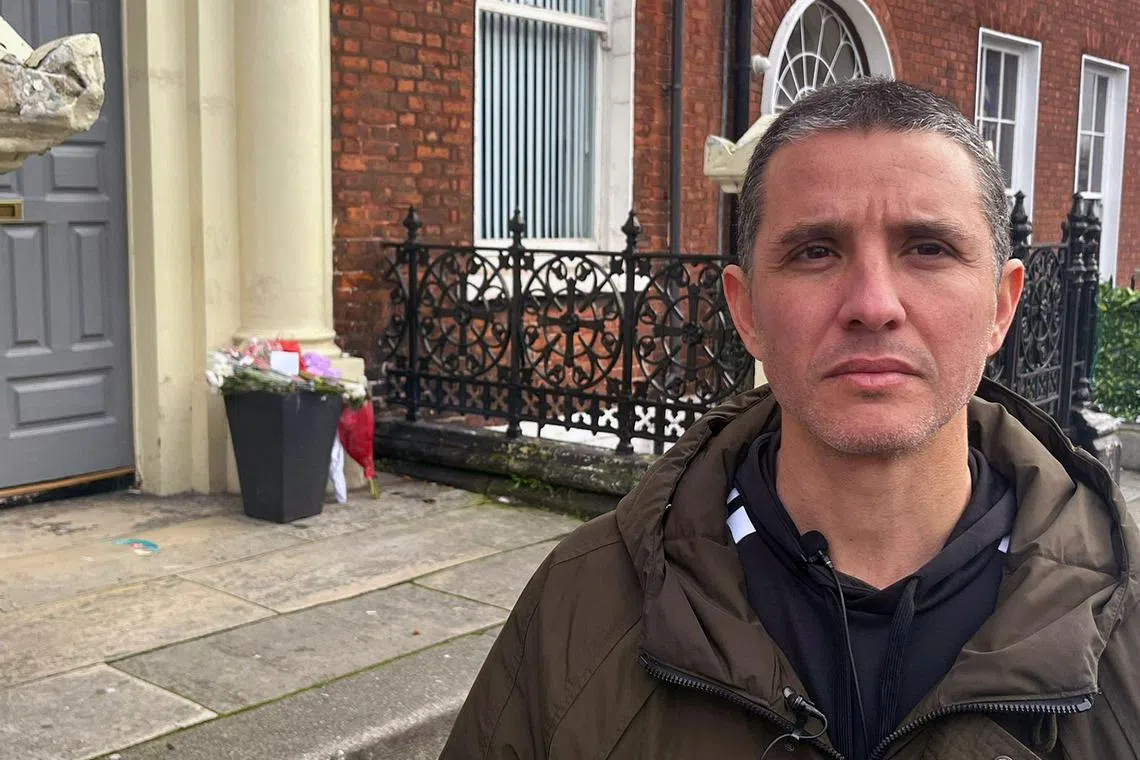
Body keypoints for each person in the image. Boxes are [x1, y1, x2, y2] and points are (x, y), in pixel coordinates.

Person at [440, 78, 1140, 760]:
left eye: (928, 248)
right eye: (816, 251)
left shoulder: (1125, 627)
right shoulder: (581, 604)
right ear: (746, 311)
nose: (873, 304)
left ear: (1001, 306)